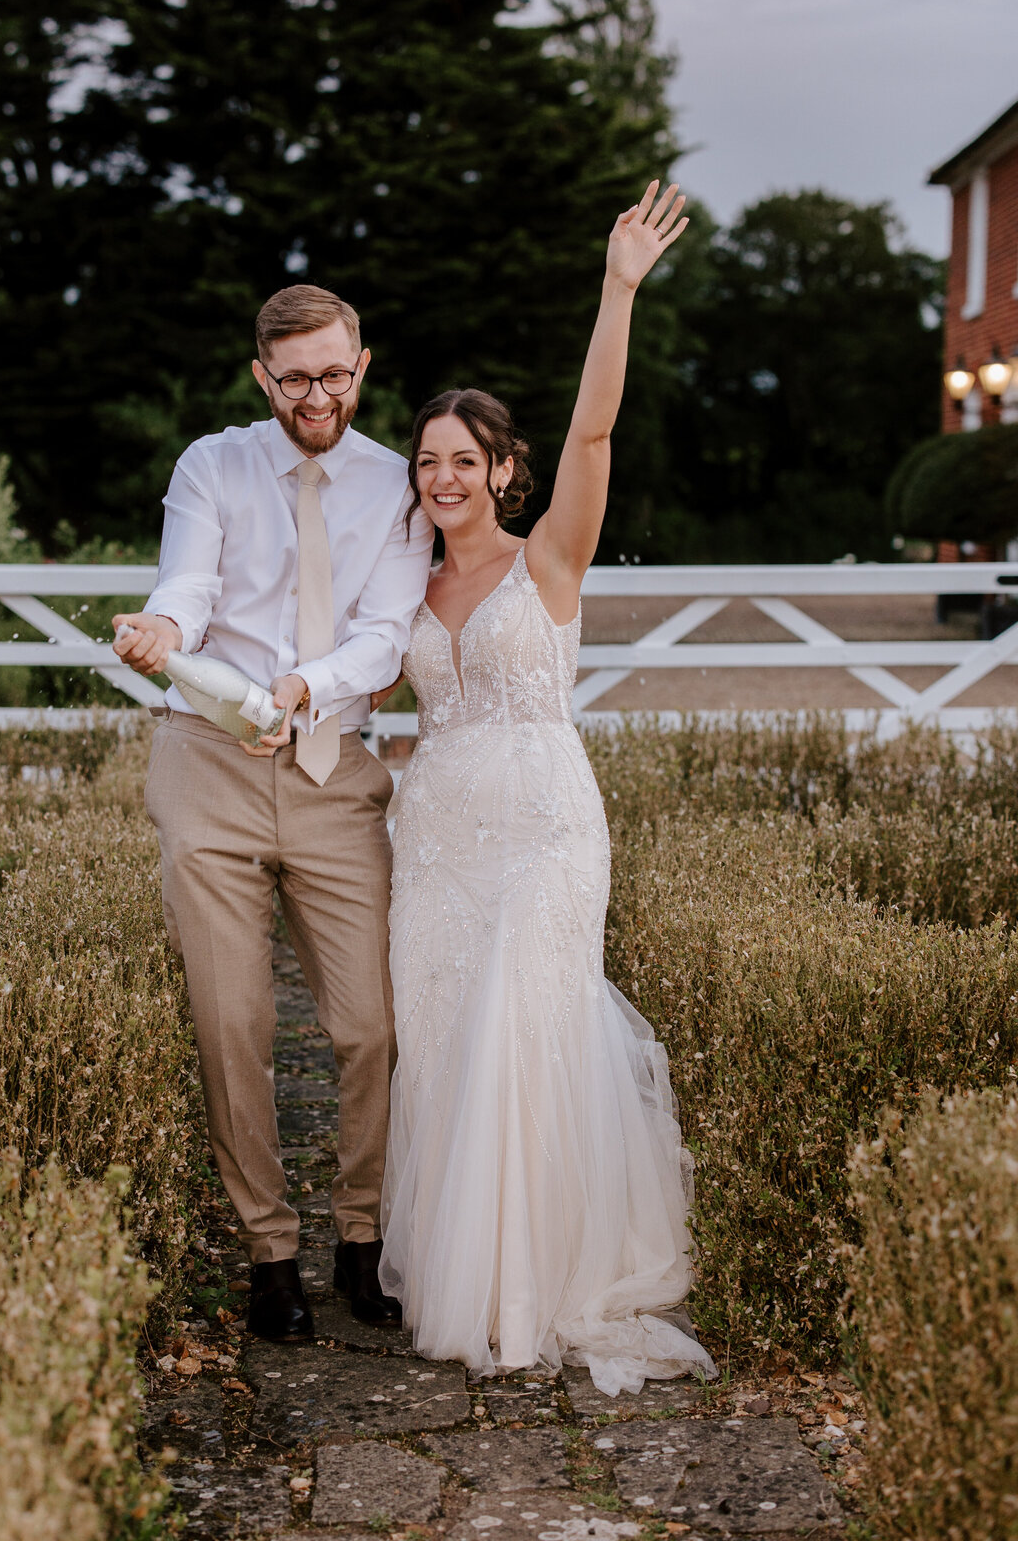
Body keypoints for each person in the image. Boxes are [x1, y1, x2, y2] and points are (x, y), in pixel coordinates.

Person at [379, 181, 717, 1393]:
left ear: (504, 469)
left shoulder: (552, 559)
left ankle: (533, 1298)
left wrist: (617, 290)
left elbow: (593, 437)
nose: (442, 478)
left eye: (464, 459)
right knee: (448, 1042)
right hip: (439, 847)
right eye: (426, 462)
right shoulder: (397, 596)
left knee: (528, 1035)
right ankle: (465, 1284)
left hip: (546, 832)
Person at [113, 285, 433, 1342]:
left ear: (363, 365)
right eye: (295, 378)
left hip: (332, 767)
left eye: (334, 374)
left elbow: (387, 635)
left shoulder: (399, 484)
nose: (317, 396)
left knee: (368, 1026)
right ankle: (270, 1254)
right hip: (210, 764)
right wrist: (162, 627)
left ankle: (358, 1234)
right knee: (233, 1023)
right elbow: (188, 583)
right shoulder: (212, 464)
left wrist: (301, 692)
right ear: (263, 375)